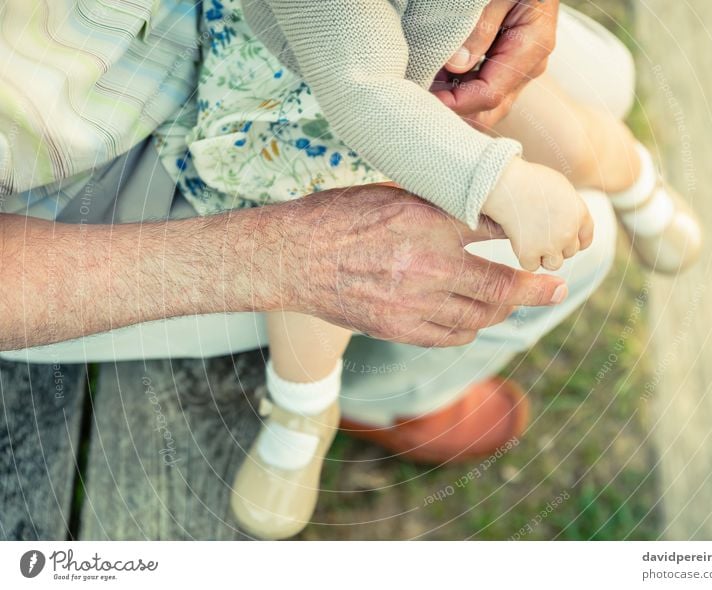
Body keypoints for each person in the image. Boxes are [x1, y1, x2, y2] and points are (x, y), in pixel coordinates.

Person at [0, 0, 670, 539]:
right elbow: (360, 89)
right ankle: (315, 408)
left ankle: (640, 182)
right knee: (322, 232)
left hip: (412, 48)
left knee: (590, 107)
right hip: (293, 94)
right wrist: (498, 180)